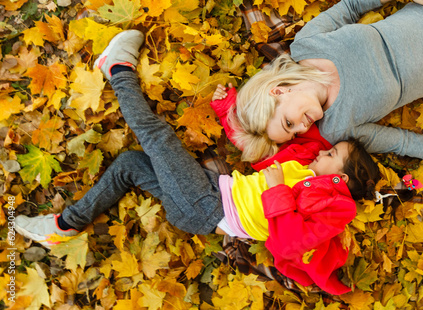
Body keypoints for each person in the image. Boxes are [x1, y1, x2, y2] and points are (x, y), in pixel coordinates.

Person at [15, 30, 382, 295]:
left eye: (332, 155)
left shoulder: (333, 203)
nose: (323, 150)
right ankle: (65, 226)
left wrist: (276, 194)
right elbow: (258, 141)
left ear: (343, 179)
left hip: (206, 207)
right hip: (208, 197)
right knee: (130, 163)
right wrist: (227, 109)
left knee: (157, 137)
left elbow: (287, 246)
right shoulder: (305, 163)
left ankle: (118, 69)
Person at [224, 0, 423, 164]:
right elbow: (403, 143)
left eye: (288, 122)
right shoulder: (337, 129)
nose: (302, 127)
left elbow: (351, 6)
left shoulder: (306, 45)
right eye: (294, 133)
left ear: (279, 91)